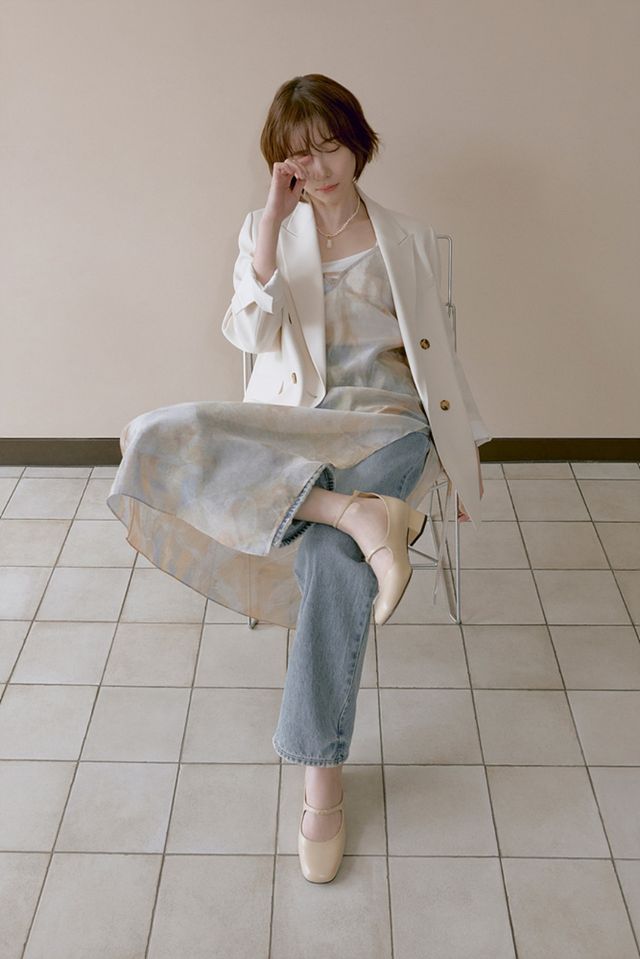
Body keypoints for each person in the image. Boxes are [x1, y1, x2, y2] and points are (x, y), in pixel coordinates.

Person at [107, 73, 491, 884]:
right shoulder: (268, 229)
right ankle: (352, 512)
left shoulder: (407, 239)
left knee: (324, 559)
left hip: (390, 424)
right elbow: (250, 334)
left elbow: (439, 361)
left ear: (358, 144)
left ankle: (321, 782)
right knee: (153, 433)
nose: (317, 167)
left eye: (330, 147)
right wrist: (272, 229)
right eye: (298, 155)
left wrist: (462, 459)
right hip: (302, 420)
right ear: (279, 164)